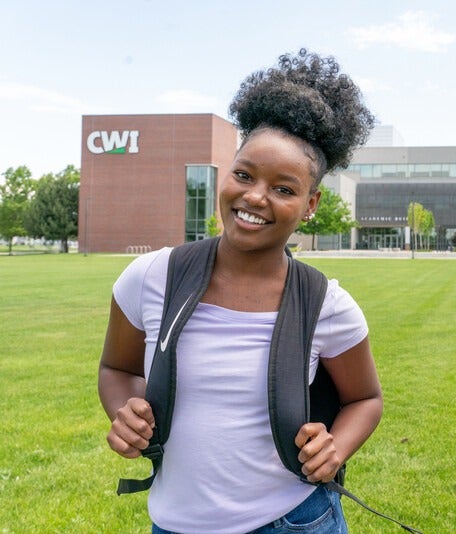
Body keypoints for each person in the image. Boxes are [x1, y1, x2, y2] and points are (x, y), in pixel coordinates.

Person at [98, 49, 380, 534]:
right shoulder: (151, 277)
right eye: (244, 175)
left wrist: (335, 447)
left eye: (283, 189)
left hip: (295, 520)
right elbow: (116, 369)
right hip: (175, 523)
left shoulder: (325, 305)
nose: (254, 196)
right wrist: (124, 412)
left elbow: (366, 399)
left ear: (311, 204)